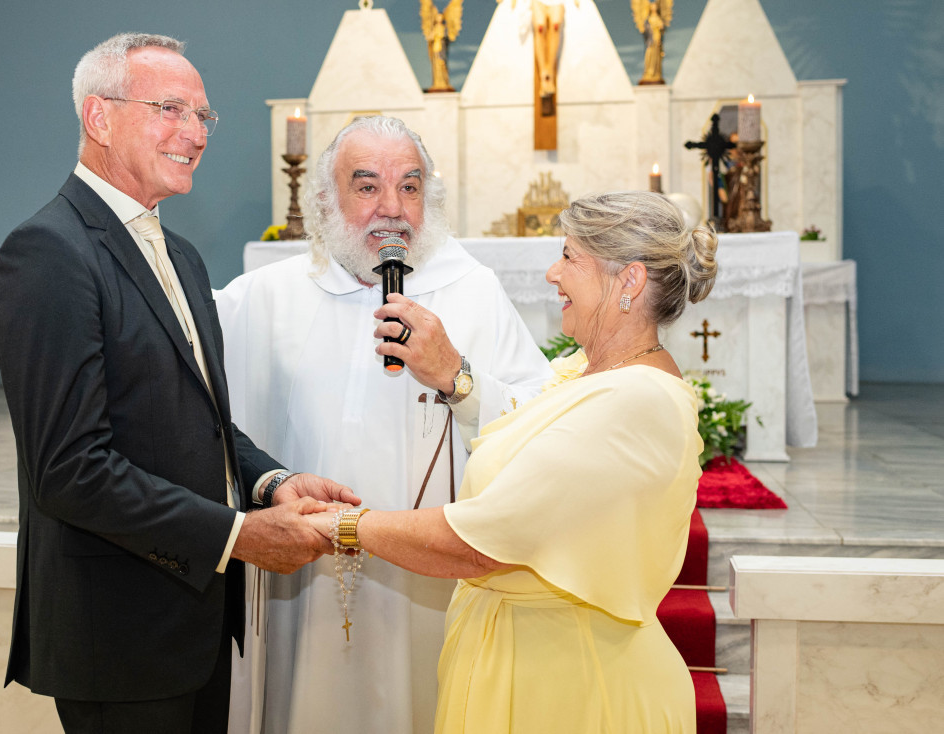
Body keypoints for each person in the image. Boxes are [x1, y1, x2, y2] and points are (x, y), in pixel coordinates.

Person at [0, 33, 357, 734]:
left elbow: (200, 418)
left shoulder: (180, 256)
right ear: (99, 118)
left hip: (192, 620)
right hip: (118, 632)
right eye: (171, 110)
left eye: (203, 116)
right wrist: (240, 537)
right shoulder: (48, 253)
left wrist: (273, 483)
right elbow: (70, 471)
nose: (195, 133)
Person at [308, 190, 719, 732]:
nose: (553, 273)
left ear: (630, 281)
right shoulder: (587, 372)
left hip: (575, 688)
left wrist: (338, 525)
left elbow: (480, 544)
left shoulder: (636, 401)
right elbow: (532, 430)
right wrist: (455, 376)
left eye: (570, 257)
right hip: (525, 662)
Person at [215, 115, 552, 733]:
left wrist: (458, 377)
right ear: (324, 200)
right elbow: (194, 413)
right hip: (302, 579)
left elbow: (541, 430)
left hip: (425, 579)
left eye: (411, 186)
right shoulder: (263, 296)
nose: (392, 209)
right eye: (366, 186)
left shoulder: (473, 291)